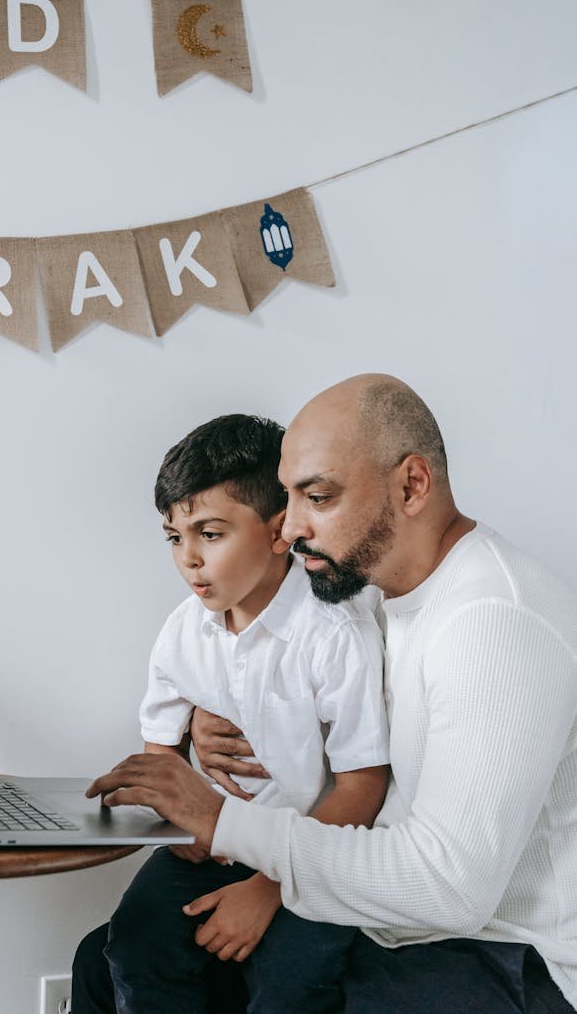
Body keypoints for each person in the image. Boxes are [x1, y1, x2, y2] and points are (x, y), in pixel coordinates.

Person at [87, 375, 577, 1013]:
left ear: (411, 486)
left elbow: (449, 888)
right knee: (106, 960)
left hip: (493, 955)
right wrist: (203, 721)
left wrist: (223, 823)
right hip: (384, 919)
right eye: (290, 497)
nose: (288, 528)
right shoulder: (369, 590)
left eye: (318, 497)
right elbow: (284, 667)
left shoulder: (492, 624)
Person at [74, 413, 390, 1014]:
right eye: (174, 537)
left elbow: (363, 783)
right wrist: (185, 823)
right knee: (133, 951)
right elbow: (159, 752)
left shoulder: (333, 636)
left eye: (210, 534)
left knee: (290, 982)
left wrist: (271, 887)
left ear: (279, 532)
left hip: (311, 858)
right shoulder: (181, 632)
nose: (188, 559)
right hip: (208, 848)